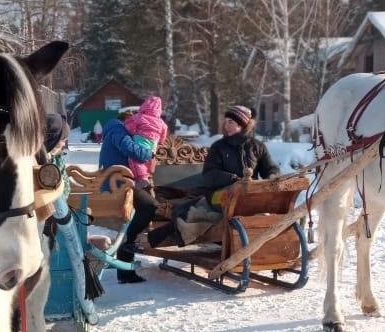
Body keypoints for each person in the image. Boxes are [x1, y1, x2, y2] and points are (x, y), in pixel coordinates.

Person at [147, 104, 278, 247]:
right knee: (233, 202)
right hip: (217, 194)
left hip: (246, 194)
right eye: (225, 121)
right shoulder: (218, 147)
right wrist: (232, 179)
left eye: (231, 122)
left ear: (242, 125)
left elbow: (271, 167)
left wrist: (272, 176)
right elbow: (209, 174)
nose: (226, 125)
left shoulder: (257, 147)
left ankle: (259, 240)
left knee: (256, 204)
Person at [98, 101, 164, 284]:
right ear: (127, 117)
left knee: (138, 213)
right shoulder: (117, 129)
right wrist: (149, 154)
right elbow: (131, 149)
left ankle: (125, 267)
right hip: (116, 183)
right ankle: (129, 242)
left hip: (120, 181)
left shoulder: (117, 129)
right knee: (150, 206)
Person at [122, 96, 168, 190]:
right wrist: (161, 141)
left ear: (144, 105)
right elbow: (164, 133)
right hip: (153, 144)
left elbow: (128, 126)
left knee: (135, 159)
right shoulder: (161, 122)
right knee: (149, 159)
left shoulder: (139, 117)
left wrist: (131, 131)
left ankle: (142, 178)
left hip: (141, 141)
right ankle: (148, 175)